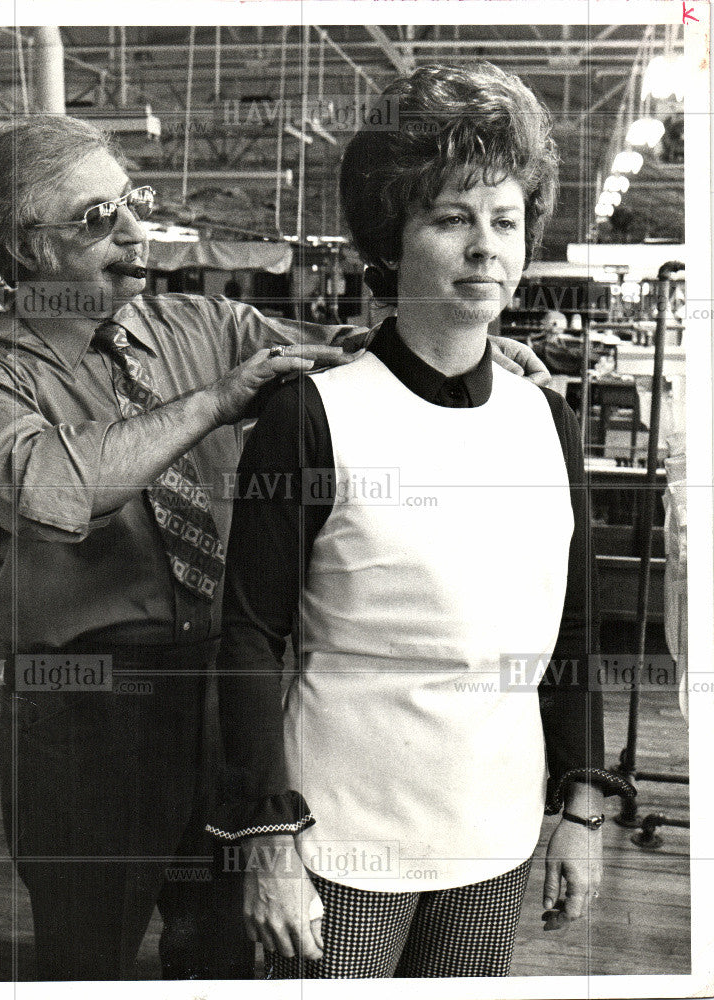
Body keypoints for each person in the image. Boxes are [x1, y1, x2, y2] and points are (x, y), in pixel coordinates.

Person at [0, 114, 548, 982]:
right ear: (29, 245)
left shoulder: (202, 323)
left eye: (133, 204)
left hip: (227, 691)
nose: (136, 232)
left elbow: (349, 366)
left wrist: (464, 344)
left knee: (230, 947)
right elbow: (48, 487)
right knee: (85, 951)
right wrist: (215, 404)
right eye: (97, 216)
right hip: (92, 713)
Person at [209, 63, 636, 979]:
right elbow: (247, 632)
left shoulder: (545, 419)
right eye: (451, 217)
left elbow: (569, 630)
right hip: (342, 842)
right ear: (391, 241)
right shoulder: (312, 414)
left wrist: (585, 803)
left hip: (497, 837)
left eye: (506, 220)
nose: (486, 246)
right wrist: (269, 835)